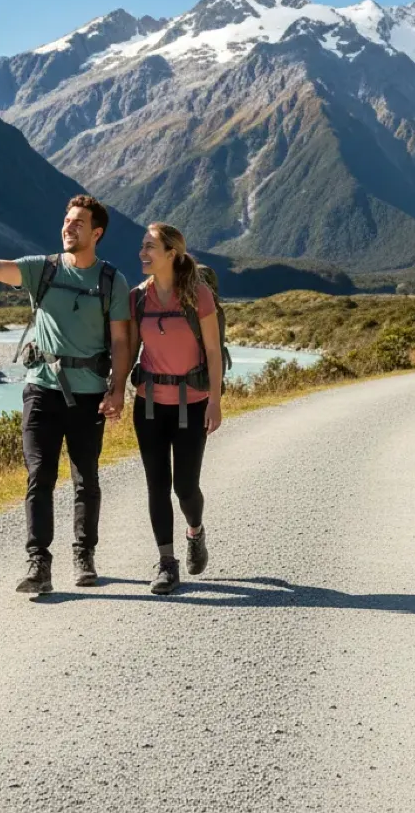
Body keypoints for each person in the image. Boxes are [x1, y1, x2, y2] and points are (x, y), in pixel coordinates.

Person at [0, 194, 131, 595]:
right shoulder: (44, 270)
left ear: (97, 232)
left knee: (86, 479)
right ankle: (39, 563)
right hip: (41, 390)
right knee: (40, 476)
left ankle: (84, 554)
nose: (68, 227)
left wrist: (117, 388)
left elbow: (122, 341)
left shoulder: (111, 281)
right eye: (67, 221)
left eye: (78, 223)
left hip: (89, 395)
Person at [128, 222, 224, 595]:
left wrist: (215, 401)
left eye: (150, 246)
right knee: (157, 485)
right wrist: (115, 389)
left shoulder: (198, 296)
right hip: (149, 404)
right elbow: (130, 349)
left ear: (172, 253)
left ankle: (195, 531)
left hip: (192, 405)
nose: (143, 252)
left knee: (185, 486)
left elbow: (213, 351)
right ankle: (167, 563)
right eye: (142, 245)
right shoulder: (137, 298)